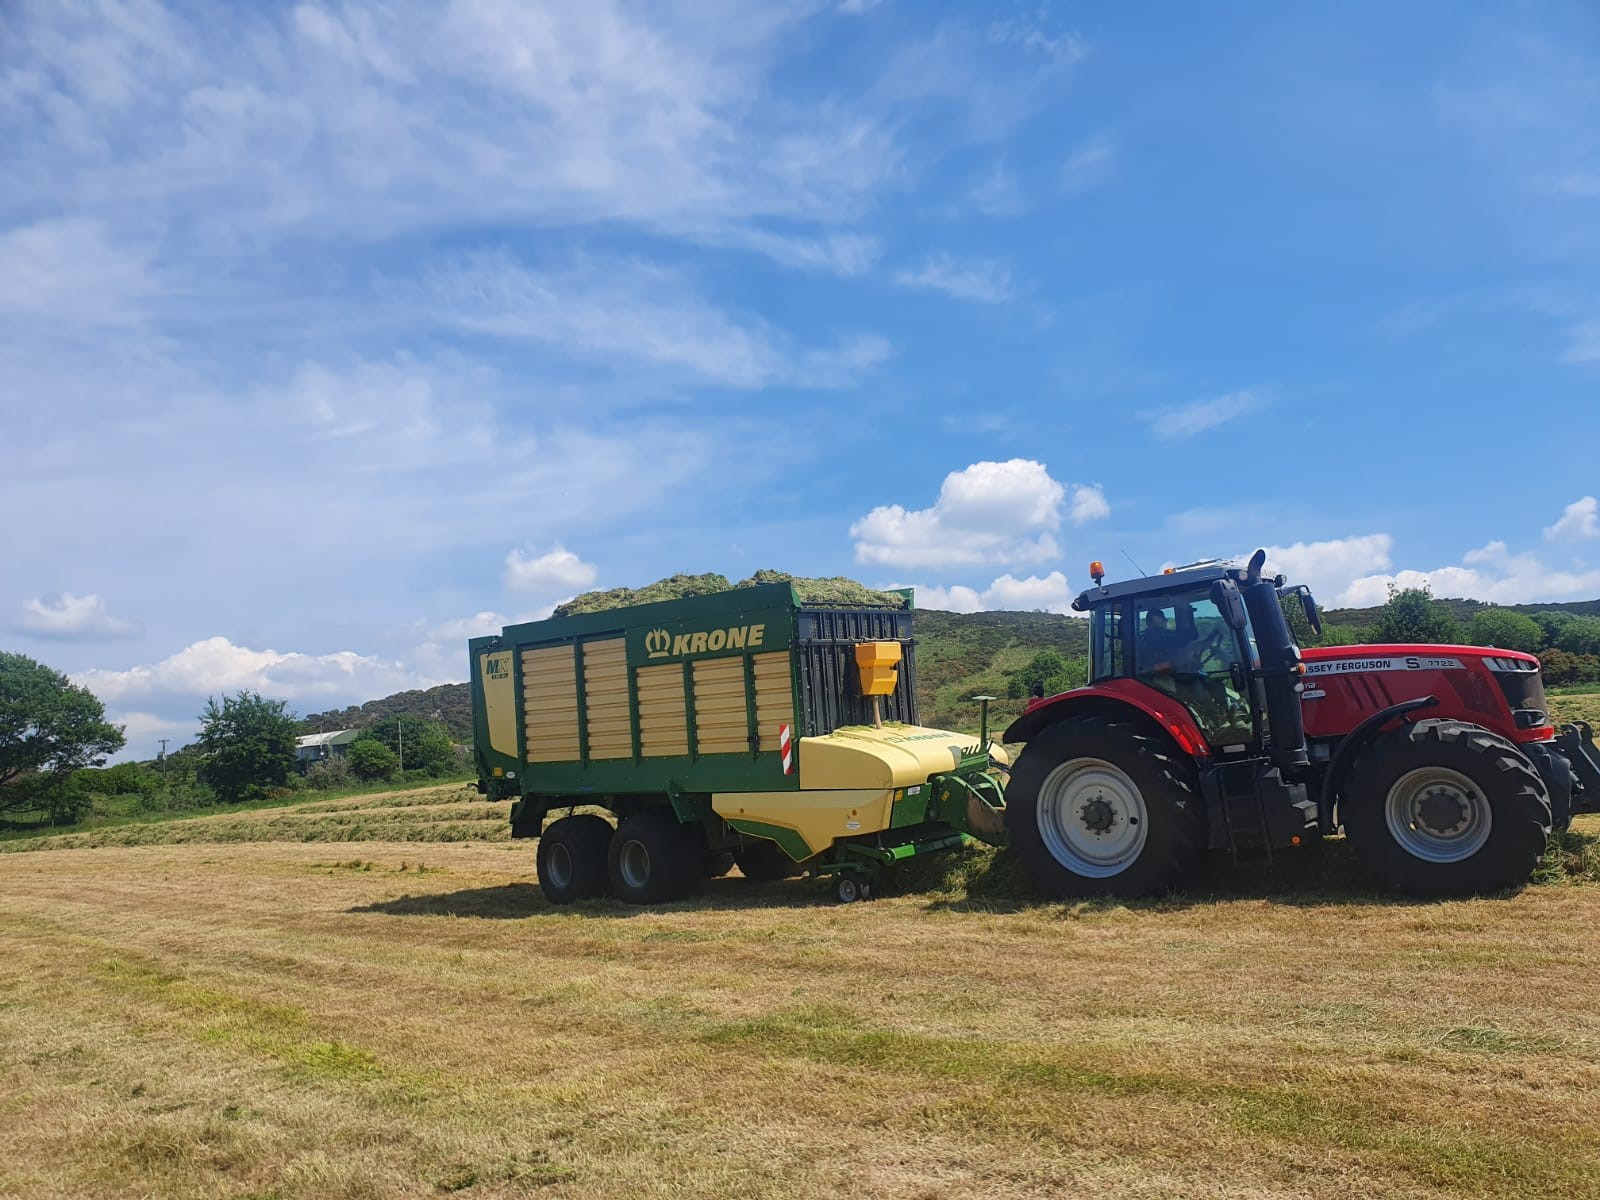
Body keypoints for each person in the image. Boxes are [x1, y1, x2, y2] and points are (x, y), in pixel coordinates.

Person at [1138, 607, 1186, 677]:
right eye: (1162, 620)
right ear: (1150, 624)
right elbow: (1146, 669)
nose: (1165, 622)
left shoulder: (1160, 637)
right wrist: (1174, 663)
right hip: (1154, 680)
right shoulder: (1147, 641)